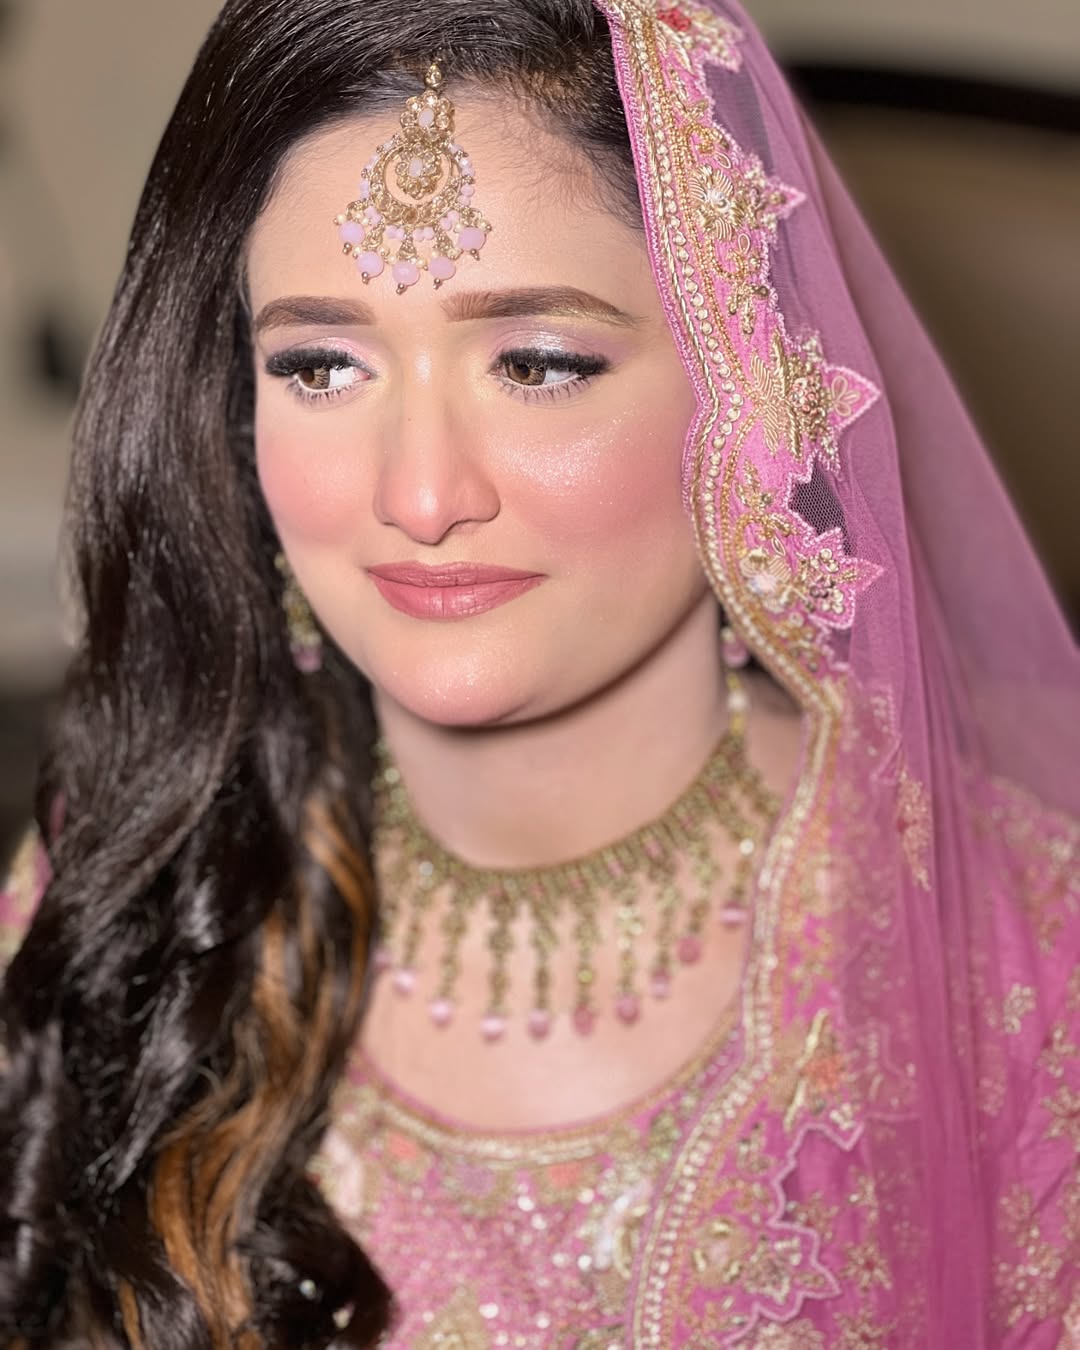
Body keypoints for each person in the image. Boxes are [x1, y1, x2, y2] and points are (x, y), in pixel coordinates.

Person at [1, 0, 1077, 1344]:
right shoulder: (137, 893)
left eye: (539, 363)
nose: (421, 493)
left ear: (750, 383)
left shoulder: (1023, 978)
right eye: (321, 364)